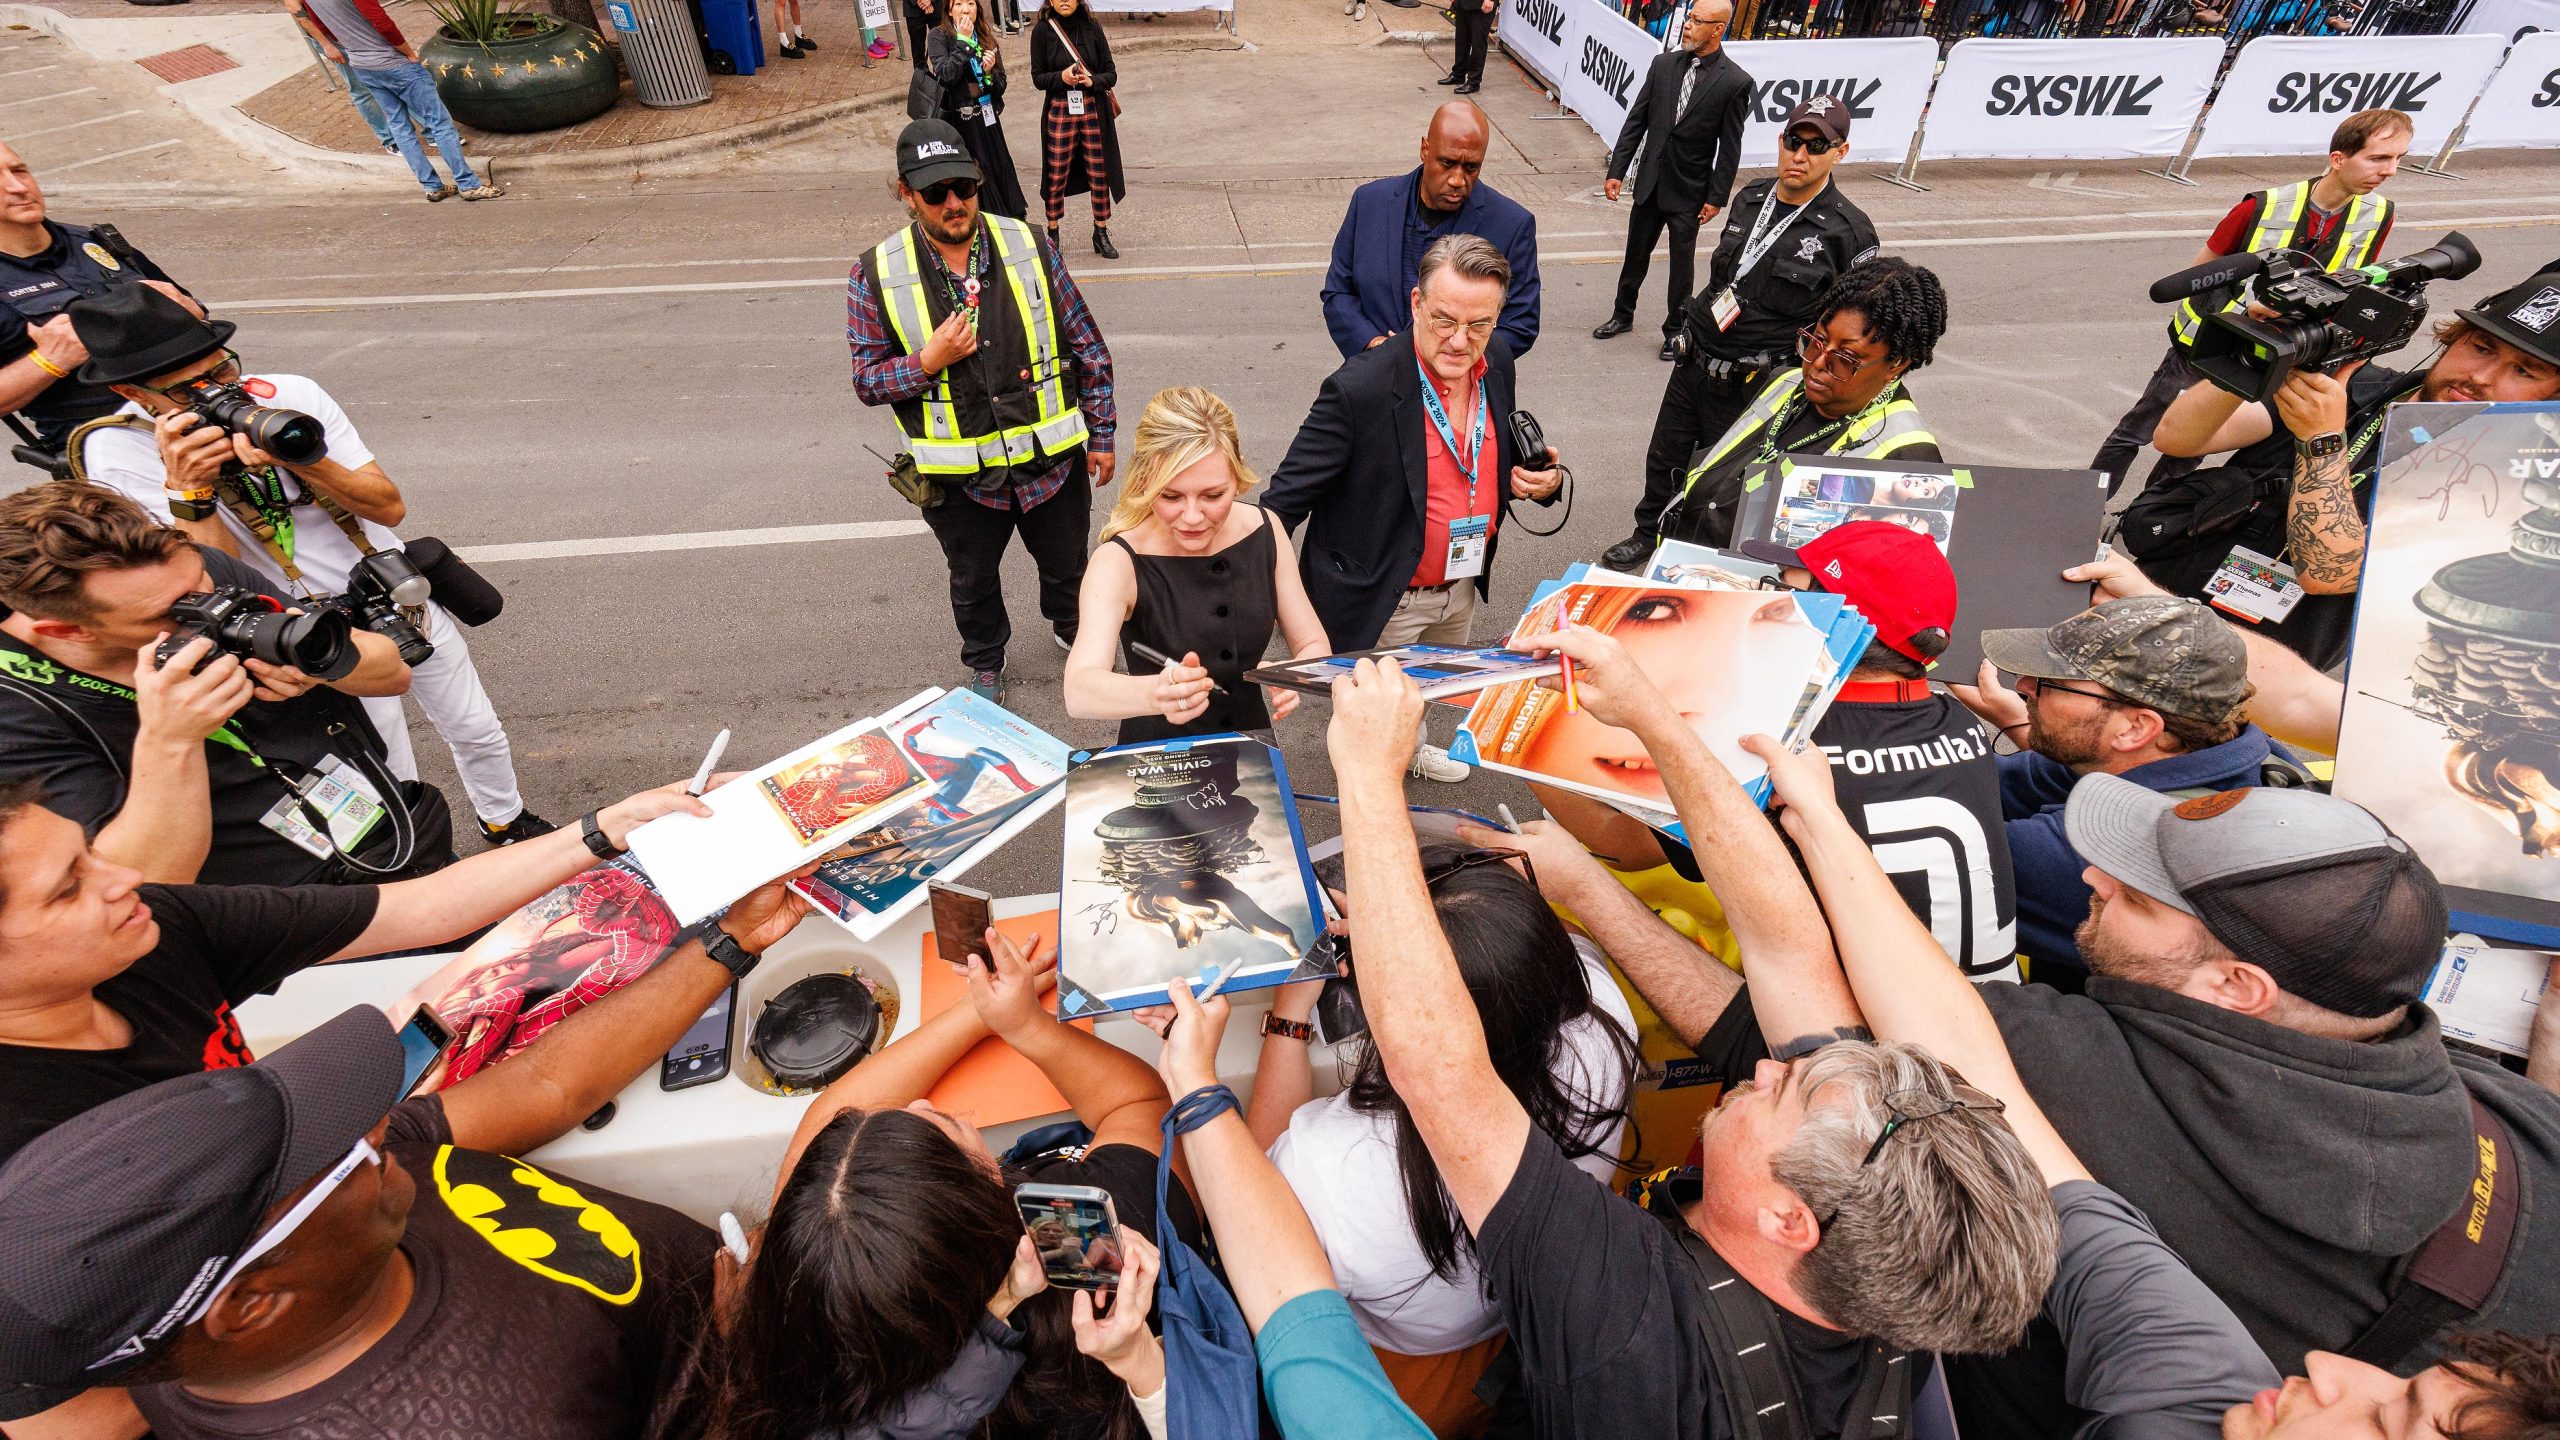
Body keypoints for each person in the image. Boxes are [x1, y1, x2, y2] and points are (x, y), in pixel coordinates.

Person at [1314, 644, 2060, 1439]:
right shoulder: (1883, 1256)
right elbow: (1786, 950)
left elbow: (1441, 1071)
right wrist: (1651, 717)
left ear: (1789, 1221)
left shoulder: (1630, 1327)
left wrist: (1369, 782)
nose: (1773, 1065)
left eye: (1791, 1092)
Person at [1746, 719, 2560, 1440]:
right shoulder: (2528, 1120)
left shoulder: (2066, 1067)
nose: (2092, 877)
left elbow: (1813, 1011)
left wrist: (1814, 818)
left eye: (2135, 895)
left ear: (2237, 986)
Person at [0, 865, 804, 1440]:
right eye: (331, 1149)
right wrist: (747, 1350)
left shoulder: (342, 1193)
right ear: (249, 1305)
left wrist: (731, 943)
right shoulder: (477, 1417)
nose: (377, 1128)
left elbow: (547, 1088)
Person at [0, 765, 737, 1171]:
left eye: (90, 851)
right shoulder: (30, 1154)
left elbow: (419, 912)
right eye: (70, 886)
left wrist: (607, 829)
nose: (121, 877)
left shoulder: (150, 925)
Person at [64, 286, 554, 848]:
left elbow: (386, 506)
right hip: (302, 624)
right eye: (187, 389)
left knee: (476, 727)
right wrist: (191, 490)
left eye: (222, 369)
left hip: (389, 590)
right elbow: (210, 574)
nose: (219, 392)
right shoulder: (116, 449)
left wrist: (304, 459)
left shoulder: (286, 397)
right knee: (387, 761)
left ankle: (505, 821)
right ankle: (417, 860)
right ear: (131, 391)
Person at [700, 924, 1202, 1440]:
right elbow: (1141, 1106)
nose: (916, 1103)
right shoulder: (1088, 1241)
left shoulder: (794, 1361)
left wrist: (976, 1013)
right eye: (938, 1133)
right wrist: (1024, 1024)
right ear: (983, 1207)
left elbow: (832, 1117)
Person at [1249, 847, 1637, 1432]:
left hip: (1413, 1364)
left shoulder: (1331, 1165)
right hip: (1535, 1315)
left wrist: (1288, 1016)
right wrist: (1412, 929)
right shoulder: (1603, 1008)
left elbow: (1254, 1203)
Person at [1539, 521, 2021, 984]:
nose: (1771, 598)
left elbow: (1625, 847)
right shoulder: (1957, 720)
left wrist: (1534, 716)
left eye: (1784, 591)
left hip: (1860, 1046)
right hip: (1986, 1005)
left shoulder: (1777, 748)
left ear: (1830, 619)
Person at [0, 483, 431, 888]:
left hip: (392, 836)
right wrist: (170, 740)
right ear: (69, 632)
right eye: (176, 611)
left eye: (201, 586)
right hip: (275, 918)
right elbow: (133, 883)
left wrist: (317, 668)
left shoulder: (188, 575)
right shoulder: (19, 712)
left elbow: (392, 672)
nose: (211, 610)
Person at [2143, 263, 2560, 671]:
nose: (2481, 376)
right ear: (2452, 339)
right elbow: (2179, 438)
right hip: (2155, 600)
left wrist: (2320, 442)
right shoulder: (2354, 383)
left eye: (2524, 371)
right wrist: (2258, 354)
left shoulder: (2506, 483)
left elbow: (2331, 572)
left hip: (2254, 671)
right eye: (2481, 348)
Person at [1265, 234, 1564, 782]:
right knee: (1376, 734)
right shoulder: (1358, 389)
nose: (1459, 341)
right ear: (1415, 304)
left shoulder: (1495, 360)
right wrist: (1245, 606)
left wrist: (1533, 482)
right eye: (1444, 320)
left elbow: (1480, 454)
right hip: (1385, 599)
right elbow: (1279, 506)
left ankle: (1415, 745)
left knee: (1429, 686)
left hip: (1460, 583)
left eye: (1479, 325)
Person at [849, 118, 1115, 706]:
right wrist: (926, 360)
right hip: (961, 479)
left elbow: (1087, 345)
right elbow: (867, 381)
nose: (953, 203)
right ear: (904, 192)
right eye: (935, 192)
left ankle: (1073, 629)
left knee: (1068, 563)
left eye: (963, 188)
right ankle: (986, 661)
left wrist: (1102, 433)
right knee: (972, 581)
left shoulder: (1028, 244)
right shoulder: (877, 273)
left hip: (1051, 463)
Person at [1136, 979, 1448, 1440]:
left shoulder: (1323, 1169)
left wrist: (1197, 1072)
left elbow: (1250, 1204)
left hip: (1386, 1351)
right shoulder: (1593, 1047)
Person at [1949, 596, 2291, 983]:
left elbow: (1900, 850)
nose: (2024, 686)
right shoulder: (2240, 756)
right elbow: (1995, 782)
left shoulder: (2102, 856)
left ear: (2136, 728)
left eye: (2051, 683)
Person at [1601, 94, 1877, 572]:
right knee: (1665, 453)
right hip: (1697, 362)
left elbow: (1848, 328)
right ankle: (1648, 534)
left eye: (1817, 145)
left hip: (1758, 383)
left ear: (1841, 152)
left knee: (1729, 478)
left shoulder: (1849, 233)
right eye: (1794, 140)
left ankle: (1708, 556)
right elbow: (1724, 280)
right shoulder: (1751, 198)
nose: (1800, 154)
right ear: (1781, 140)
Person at [2090, 108, 2410, 495]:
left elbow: (2357, 281)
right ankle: (2083, 509)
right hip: (2206, 346)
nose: (2390, 171)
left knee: (2190, 449)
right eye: (2378, 158)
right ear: (2338, 159)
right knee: (2137, 432)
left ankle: (2144, 518)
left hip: (2268, 354)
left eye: (2398, 159)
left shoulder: (2379, 214)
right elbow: (2200, 273)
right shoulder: (2261, 205)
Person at [1064, 385, 1331, 743]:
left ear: (1237, 478)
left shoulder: (1266, 530)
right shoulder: (1118, 561)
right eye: (1171, 496)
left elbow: (1313, 641)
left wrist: (1294, 674)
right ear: (1145, 482)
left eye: (1212, 495)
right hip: (1158, 755)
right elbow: (1079, 690)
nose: (1192, 517)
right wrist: (1155, 693)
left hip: (1249, 744)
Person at [1651, 256, 1946, 549]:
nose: (1817, 363)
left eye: (1845, 358)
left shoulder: (1910, 456)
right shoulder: (1786, 381)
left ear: (1896, 364)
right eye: (1816, 340)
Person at [0, 142, 200, 456]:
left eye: (19, 170)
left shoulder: (94, 242)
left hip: (197, 407)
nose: (17, 187)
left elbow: (196, 311)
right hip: (106, 441)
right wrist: (49, 361)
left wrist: (185, 309)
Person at [1592, 0, 1752, 360]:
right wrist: (1617, 170)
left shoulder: (1735, 82)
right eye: (1689, 18)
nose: (1687, 26)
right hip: (1650, 182)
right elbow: (1637, 120)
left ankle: (1676, 329)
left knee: (1682, 266)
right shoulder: (1663, 65)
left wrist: (1717, 197)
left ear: (1718, 28)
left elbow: (1730, 147)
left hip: (1690, 190)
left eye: (1697, 21)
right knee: (1635, 254)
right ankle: (1622, 314)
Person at [1322, 102, 1540, 362]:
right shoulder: (1369, 203)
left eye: (1471, 167)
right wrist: (1376, 345)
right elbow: (1338, 293)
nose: (1458, 180)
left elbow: (1520, 324)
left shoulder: (1512, 225)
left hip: (1460, 391)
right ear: (1425, 149)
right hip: (1372, 380)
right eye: (1447, 163)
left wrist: (1450, 355)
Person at [284, 0, 500, 201]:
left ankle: (432, 186)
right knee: (439, 122)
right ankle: (467, 183)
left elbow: (310, 19)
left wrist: (336, 44)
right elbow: (381, 21)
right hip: (391, 61)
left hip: (362, 64)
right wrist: (408, 52)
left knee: (399, 125)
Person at [1031, 0, 1125, 259]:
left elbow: (1111, 73)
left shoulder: (1093, 28)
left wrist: (1091, 80)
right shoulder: (1042, 31)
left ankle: (1101, 231)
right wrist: (1060, 78)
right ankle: (1053, 233)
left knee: (1099, 172)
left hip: (1093, 108)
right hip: (1060, 109)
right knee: (1056, 173)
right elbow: (1038, 77)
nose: (1064, 0)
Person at [930, 0, 1031, 222]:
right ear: (949, 9)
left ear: (978, 9)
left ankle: (1008, 224)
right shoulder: (939, 37)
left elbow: (1001, 85)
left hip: (988, 119)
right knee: (971, 177)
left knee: (999, 169)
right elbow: (946, 75)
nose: (966, 9)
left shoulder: (986, 38)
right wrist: (964, 42)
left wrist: (988, 74)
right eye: (958, 4)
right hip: (959, 124)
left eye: (971, 4)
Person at [1441, 0, 1493, 92]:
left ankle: (1474, 82)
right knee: (1461, 39)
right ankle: (1458, 74)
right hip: (1462, 3)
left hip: (1481, 6)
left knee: (1478, 44)